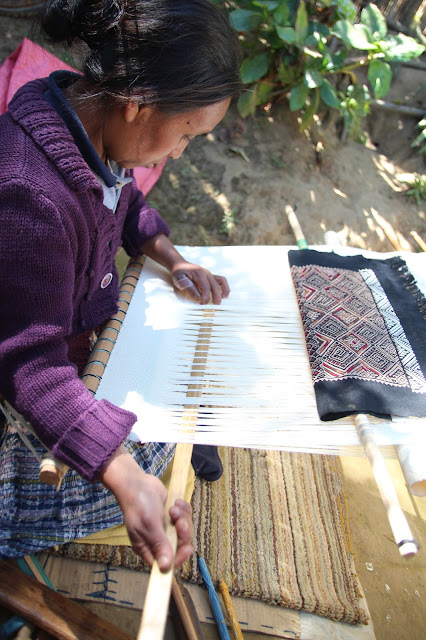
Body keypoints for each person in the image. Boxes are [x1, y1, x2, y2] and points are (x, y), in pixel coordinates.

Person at [0, 0, 241, 566]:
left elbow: (125, 200)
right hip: (16, 391)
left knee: (170, 405)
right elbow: (29, 366)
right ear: (138, 104)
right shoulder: (27, 196)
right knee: (151, 459)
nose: (181, 153)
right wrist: (126, 477)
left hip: (58, 339)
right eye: (185, 135)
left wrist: (169, 257)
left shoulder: (86, 123)